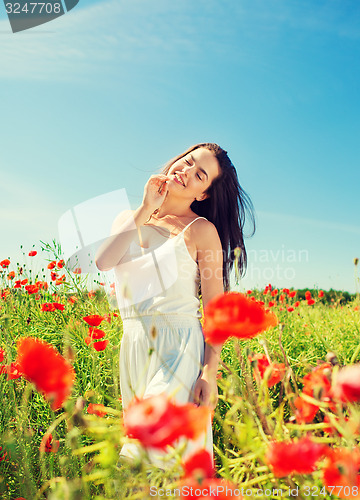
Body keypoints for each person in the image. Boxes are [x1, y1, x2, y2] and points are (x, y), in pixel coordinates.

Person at [95, 143, 255, 468]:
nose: (187, 171)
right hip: (135, 347)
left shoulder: (202, 231)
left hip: (179, 349)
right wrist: (144, 207)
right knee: (151, 469)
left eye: (200, 175)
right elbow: (103, 261)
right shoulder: (129, 218)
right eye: (188, 161)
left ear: (203, 194)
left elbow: (215, 312)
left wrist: (209, 373)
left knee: (142, 452)